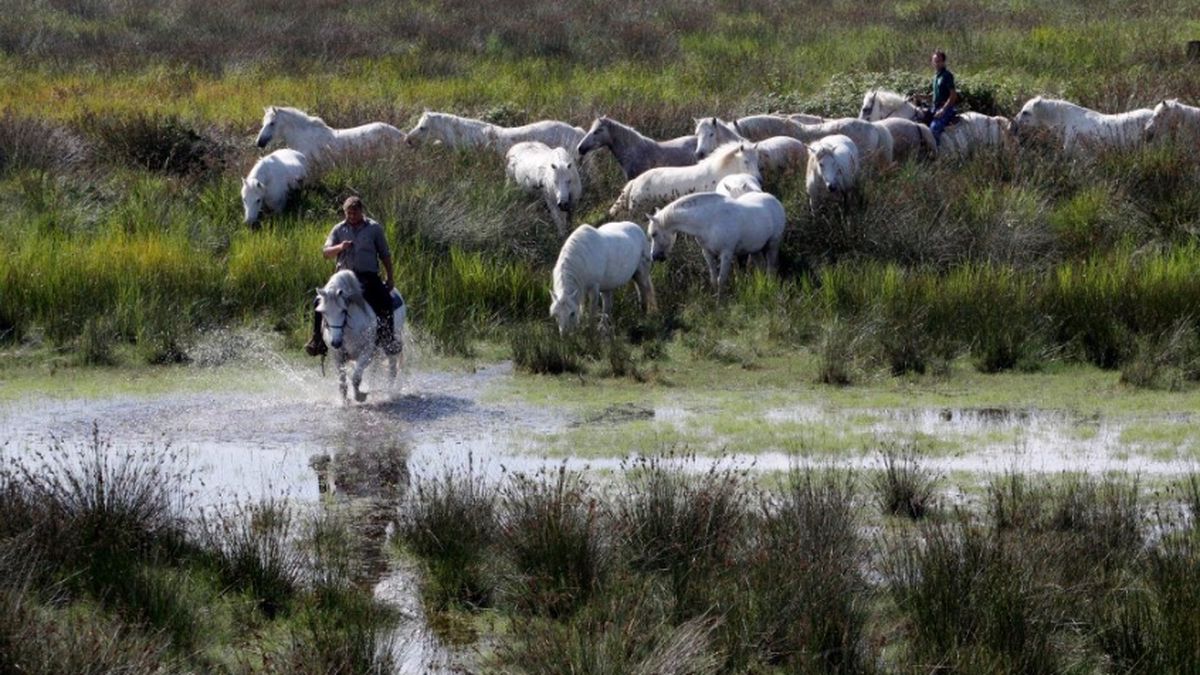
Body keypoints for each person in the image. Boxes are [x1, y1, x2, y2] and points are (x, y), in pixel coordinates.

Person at [305, 196, 399, 356]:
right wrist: (340, 247)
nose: (352, 216)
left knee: (385, 299)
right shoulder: (338, 229)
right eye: (349, 213)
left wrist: (390, 277)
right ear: (345, 212)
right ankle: (317, 340)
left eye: (355, 213)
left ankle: (388, 339)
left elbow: (385, 254)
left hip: (367, 276)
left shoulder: (374, 228)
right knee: (318, 301)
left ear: (361, 211)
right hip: (343, 278)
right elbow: (326, 253)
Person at [912, 49, 959, 146]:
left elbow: (953, 95)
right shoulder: (936, 77)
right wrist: (921, 96)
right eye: (935, 61)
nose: (936, 64)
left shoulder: (947, 75)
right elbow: (935, 95)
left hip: (946, 109)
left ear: (943, 62)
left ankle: (935, 152)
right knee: (918, 122)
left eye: (939, 61)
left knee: (934, 128)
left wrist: (943, 110)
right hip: (934, 108)